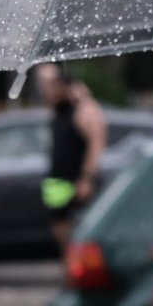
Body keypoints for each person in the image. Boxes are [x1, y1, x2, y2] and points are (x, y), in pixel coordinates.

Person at [37, 62, 106, 245]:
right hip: (57, 184)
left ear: (64, 84)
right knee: (60, 227)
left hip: (77, 183)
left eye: (51, 84)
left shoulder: (81, 110)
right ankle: (69, 264)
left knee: (79, 233)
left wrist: (87, 178)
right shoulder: (57, 109)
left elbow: (97, 139)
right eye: (44, 84)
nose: (47, 89)